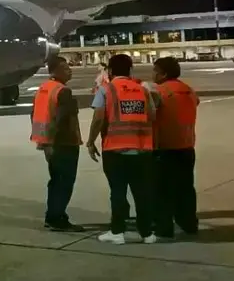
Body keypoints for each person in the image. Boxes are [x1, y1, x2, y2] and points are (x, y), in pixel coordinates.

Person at [86, 54, 157, 244]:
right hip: (141, 150)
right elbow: (152, 114)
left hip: (115, 149)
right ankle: (147, 233)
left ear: (109, 71)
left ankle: (117, 232)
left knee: (117, 192)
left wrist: (90, 141)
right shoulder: (142, 90)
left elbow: (99, 118)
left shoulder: (106, 90)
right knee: (142, 192)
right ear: (130, 70)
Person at [30, 56, 84, 231]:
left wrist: (43, 142)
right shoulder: (62, 91)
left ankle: (53, 214)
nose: (70, 70)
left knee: (55, 181)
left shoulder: (43, 89)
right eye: (65, 67)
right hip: (64, 143)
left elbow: (34, 115)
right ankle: (57, 218)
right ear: (55, 71)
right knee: (64, 182)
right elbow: (60, 120)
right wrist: (54, 142)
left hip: (47, 143)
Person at [152, 56, 200, 239]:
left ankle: (164, 226)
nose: (153, 75)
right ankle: (188, 223)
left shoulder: (159, 92)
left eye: (155, 71)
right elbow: (196, 102)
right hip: (187, 145)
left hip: (165, 146)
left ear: (163, 74)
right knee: (186, 188)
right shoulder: (188, 90)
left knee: (162, 189)